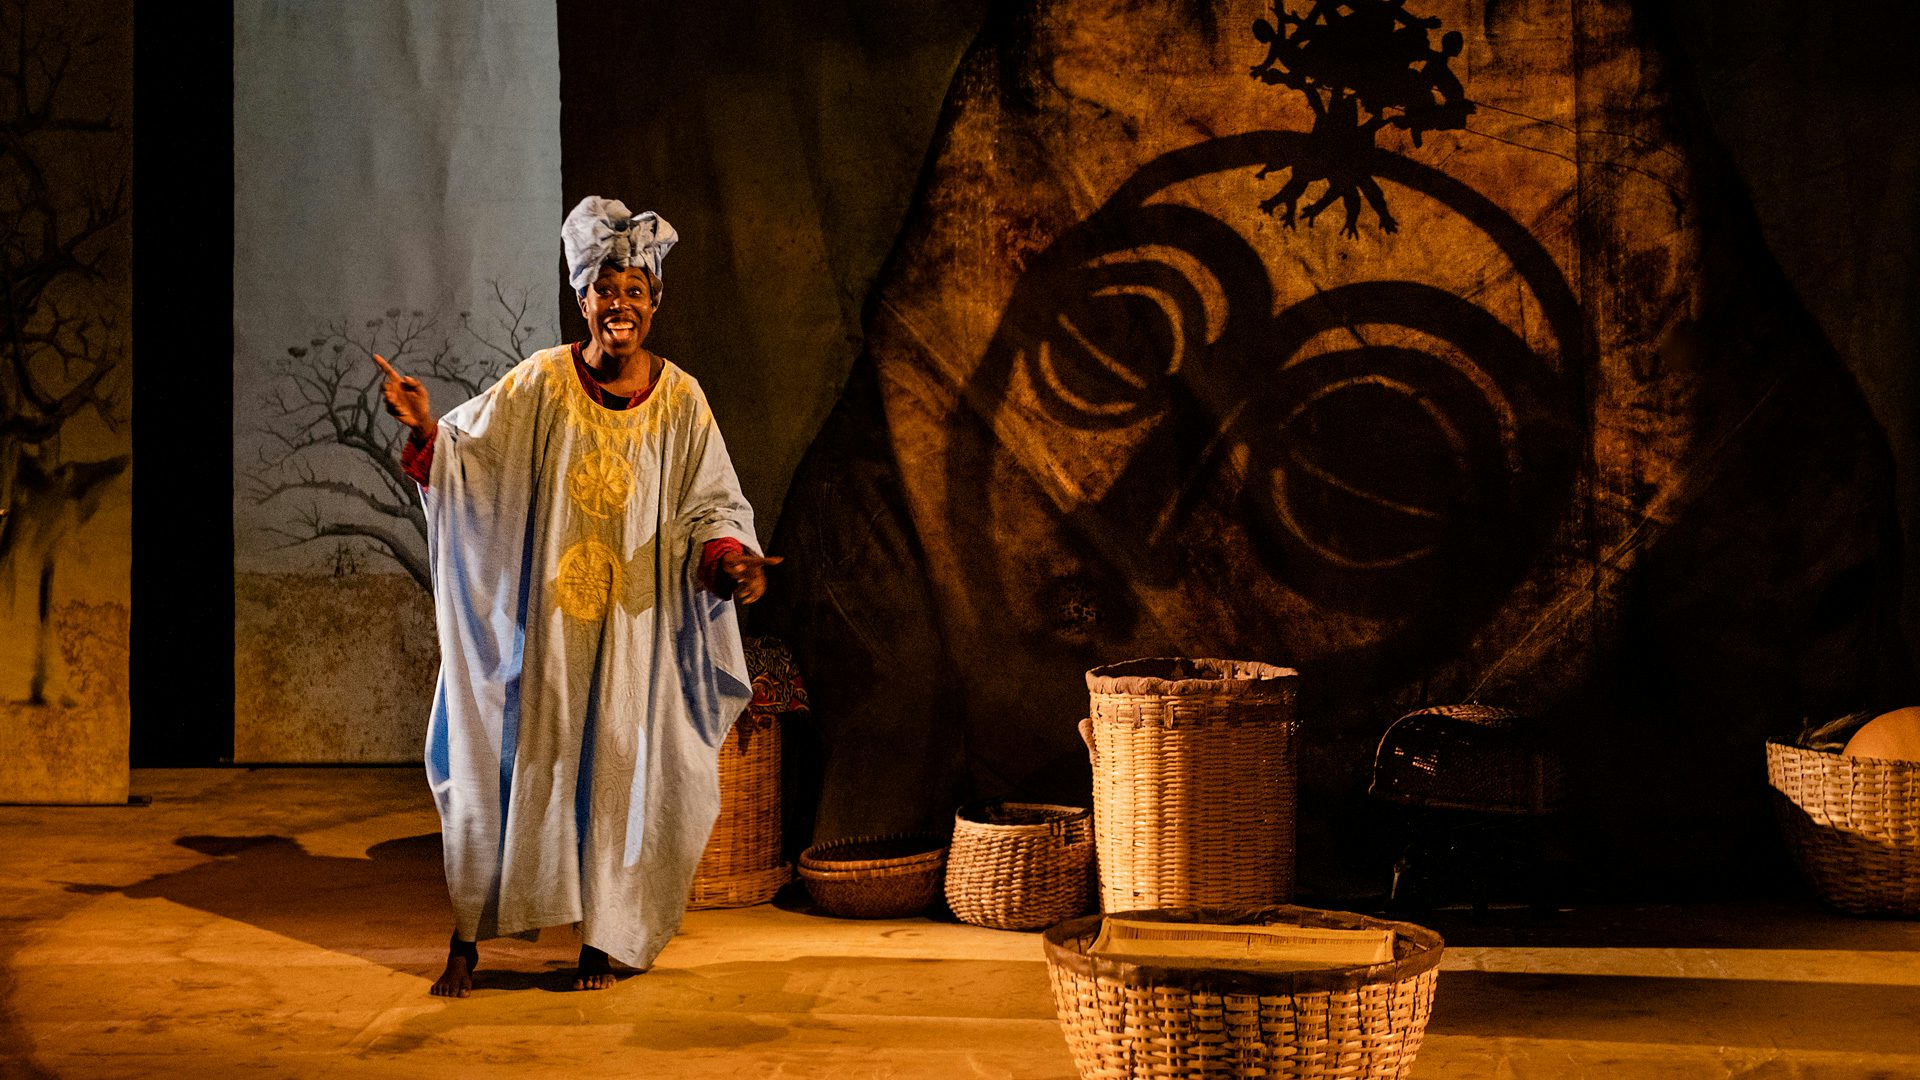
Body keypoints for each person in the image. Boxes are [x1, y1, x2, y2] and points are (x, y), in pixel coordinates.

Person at [377, 196, 780, 996]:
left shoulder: (682, 400)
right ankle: (468, 936)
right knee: (511, 757)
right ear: (581, 297)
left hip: (636, 636)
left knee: (623, 774)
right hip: (551, 631)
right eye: (604, 288)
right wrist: (427, 431)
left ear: (655, 301)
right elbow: (470, 460)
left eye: (635, 289)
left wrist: (733, 559)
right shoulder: (541, 384)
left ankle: (606, 937)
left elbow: (713, 504)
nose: (619, 304)